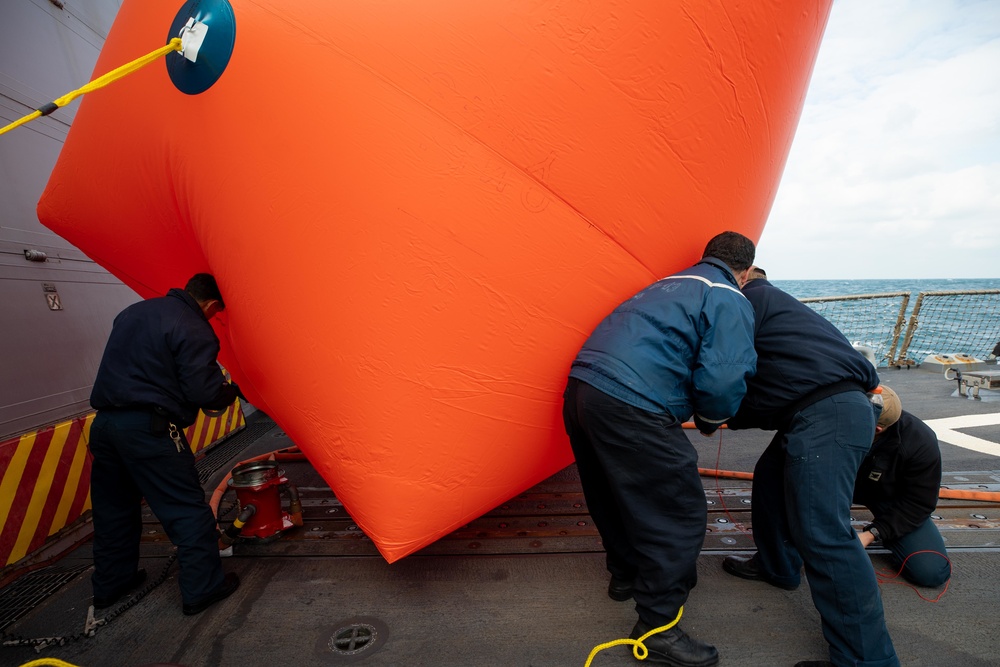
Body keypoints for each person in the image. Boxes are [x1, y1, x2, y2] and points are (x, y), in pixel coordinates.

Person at [563, 231, 757, 667]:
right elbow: (725, 377)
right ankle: (657, 630)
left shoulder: (666, 285)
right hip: (633, 401)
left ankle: (626, 575)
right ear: (745, 272)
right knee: (678, 513)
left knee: (610, 492)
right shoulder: (726, 294)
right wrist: (709, 420)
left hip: (582, 389)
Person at [722, 268, 898, 667]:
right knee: (770, 479)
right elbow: (784, 388)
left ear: (743, 279)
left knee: (825, 536)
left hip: (828, 415)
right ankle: (778, 566)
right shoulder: (791, 312)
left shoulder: (748, 302)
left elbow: (733, 376)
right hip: (832, 409)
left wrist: (717, 414)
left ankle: (866, 661)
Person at [88, 273, 242, 615]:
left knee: (113, 510)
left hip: (105, 425)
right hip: (150, 428)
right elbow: (205, 393)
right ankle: (203, 588)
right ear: (213, 305)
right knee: (185, 508)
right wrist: (234, 390)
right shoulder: (193, 326)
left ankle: (112, 584)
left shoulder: (132, 312)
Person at [855, 385, 951, 587]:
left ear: (877, 428)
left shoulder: (920, 442)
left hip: (887, 496)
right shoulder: (838, 418)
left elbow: (918, 504)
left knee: (931, 572)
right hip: (833, 485)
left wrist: (871, 534)